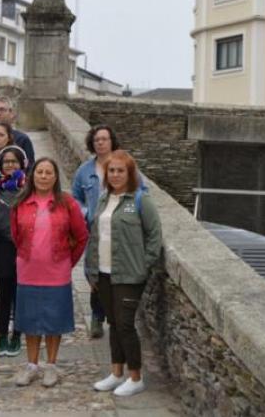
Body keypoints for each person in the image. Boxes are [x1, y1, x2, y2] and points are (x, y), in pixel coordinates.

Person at [87, 150, 162, 397]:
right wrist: (91, 270)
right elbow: (95, 236)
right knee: (113, 324)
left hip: (129, 275)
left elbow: (154, 236)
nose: (116, 175)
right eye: (112, 170)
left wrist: (143, 265)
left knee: (125, 324)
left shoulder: (141, 200)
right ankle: (116, 373)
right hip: (103, 273)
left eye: (121, 170)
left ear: (130, 174)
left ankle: (135, 377)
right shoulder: (103, 199)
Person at [11, 157, 88, 388]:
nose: (43, 176)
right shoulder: (21, 202)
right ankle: (32, 365)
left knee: (54, 319)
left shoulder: (67, 203)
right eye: (40, 172)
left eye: (48, 173)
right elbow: (15, 236)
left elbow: (81, 236)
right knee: (30, 319)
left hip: (57, 271)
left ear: (55, 177)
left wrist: (67, 262)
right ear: (32, 175)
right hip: (28, 270)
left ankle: (51, 365)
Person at [72, 125, 121, 339]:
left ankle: (116, 317)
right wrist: (86, 213)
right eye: (97, 140)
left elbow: (140, 191)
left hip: (118, 230)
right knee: (95, 274)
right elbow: (75, 198)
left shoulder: (123, 165)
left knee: (117, 274)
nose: (100, 142)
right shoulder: (84, 171)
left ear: (111, 141)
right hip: (94, 230)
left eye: (104, 139)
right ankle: (97, 316)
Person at [0, 145, 29, 357]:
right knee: (3, 293)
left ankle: (17, 336)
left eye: (14, 161)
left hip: (23, 246)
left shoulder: (28, 187)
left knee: (20, 294)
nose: (10, 165)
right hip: (0, 245)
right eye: (6, 161)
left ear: (21, 164)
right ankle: (3, 336)